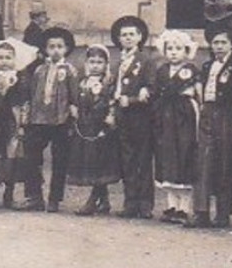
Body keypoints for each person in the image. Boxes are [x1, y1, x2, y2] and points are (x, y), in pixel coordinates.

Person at [189, 26, 232, 229]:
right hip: (208, 113)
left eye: (223, 42)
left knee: (224, 163)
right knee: (203, 162)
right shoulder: (207, 66)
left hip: (226, 115)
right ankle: (201, 212)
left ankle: (223, 213)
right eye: (215, 43)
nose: (219, 47)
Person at [21, 26, 76, 213]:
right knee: (31, 156)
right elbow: (32, 92)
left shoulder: (70, 70)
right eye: (51, 46)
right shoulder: (38, 70)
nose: (55, 50)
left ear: (66, 49)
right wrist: (29, 114)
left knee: (60, 159)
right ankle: (34, 196)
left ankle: (54, 198)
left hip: (61, 120)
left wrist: (72, 111)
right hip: (38, 119)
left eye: (60, 46)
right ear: (45, 49)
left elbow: (74, 95)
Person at [151, 29, 201, 224]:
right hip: (166, 115)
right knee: (167, 154)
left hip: (184, 114)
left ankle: (184, 207)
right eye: (170, 48)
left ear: (186, 51)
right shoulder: (162, 71)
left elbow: (199, 93)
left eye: (178, 48)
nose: (173, 52)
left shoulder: (191, 70)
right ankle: (171, 204)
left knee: (184, 153)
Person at [109, 15, 157, 219]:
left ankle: (145, 204)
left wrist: (134, 100)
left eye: (131, 34)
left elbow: (152, 88)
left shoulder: (146, 60)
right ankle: (130, 202)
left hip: (140, 116)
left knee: (143, 159)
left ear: (139, 37)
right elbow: (114, 85)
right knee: (126, 158)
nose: (127, 38)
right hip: (122, 115)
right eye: (124, 35)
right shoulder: (118, 61)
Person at [0, 38, 33, 209]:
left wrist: (23, 123)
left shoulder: (21, 77)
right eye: (1, 58)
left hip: (13, 116)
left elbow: (25, 100)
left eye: (8, 57)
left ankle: (9, 193)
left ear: (14, 59)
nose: (4, 61)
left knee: (12, 152)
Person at [68, 44, 120, 216]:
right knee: (91, 162)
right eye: (92, 62)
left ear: (106, 64)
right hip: (86, 127)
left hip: (102, 128)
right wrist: (74, 108)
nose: (95, 65)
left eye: (100, 62)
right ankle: (103, 201)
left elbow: (112, 102)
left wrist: (110, 117)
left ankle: (92, 201)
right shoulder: (82, 82)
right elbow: (77, 99)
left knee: (100, 162)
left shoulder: (109, 83)